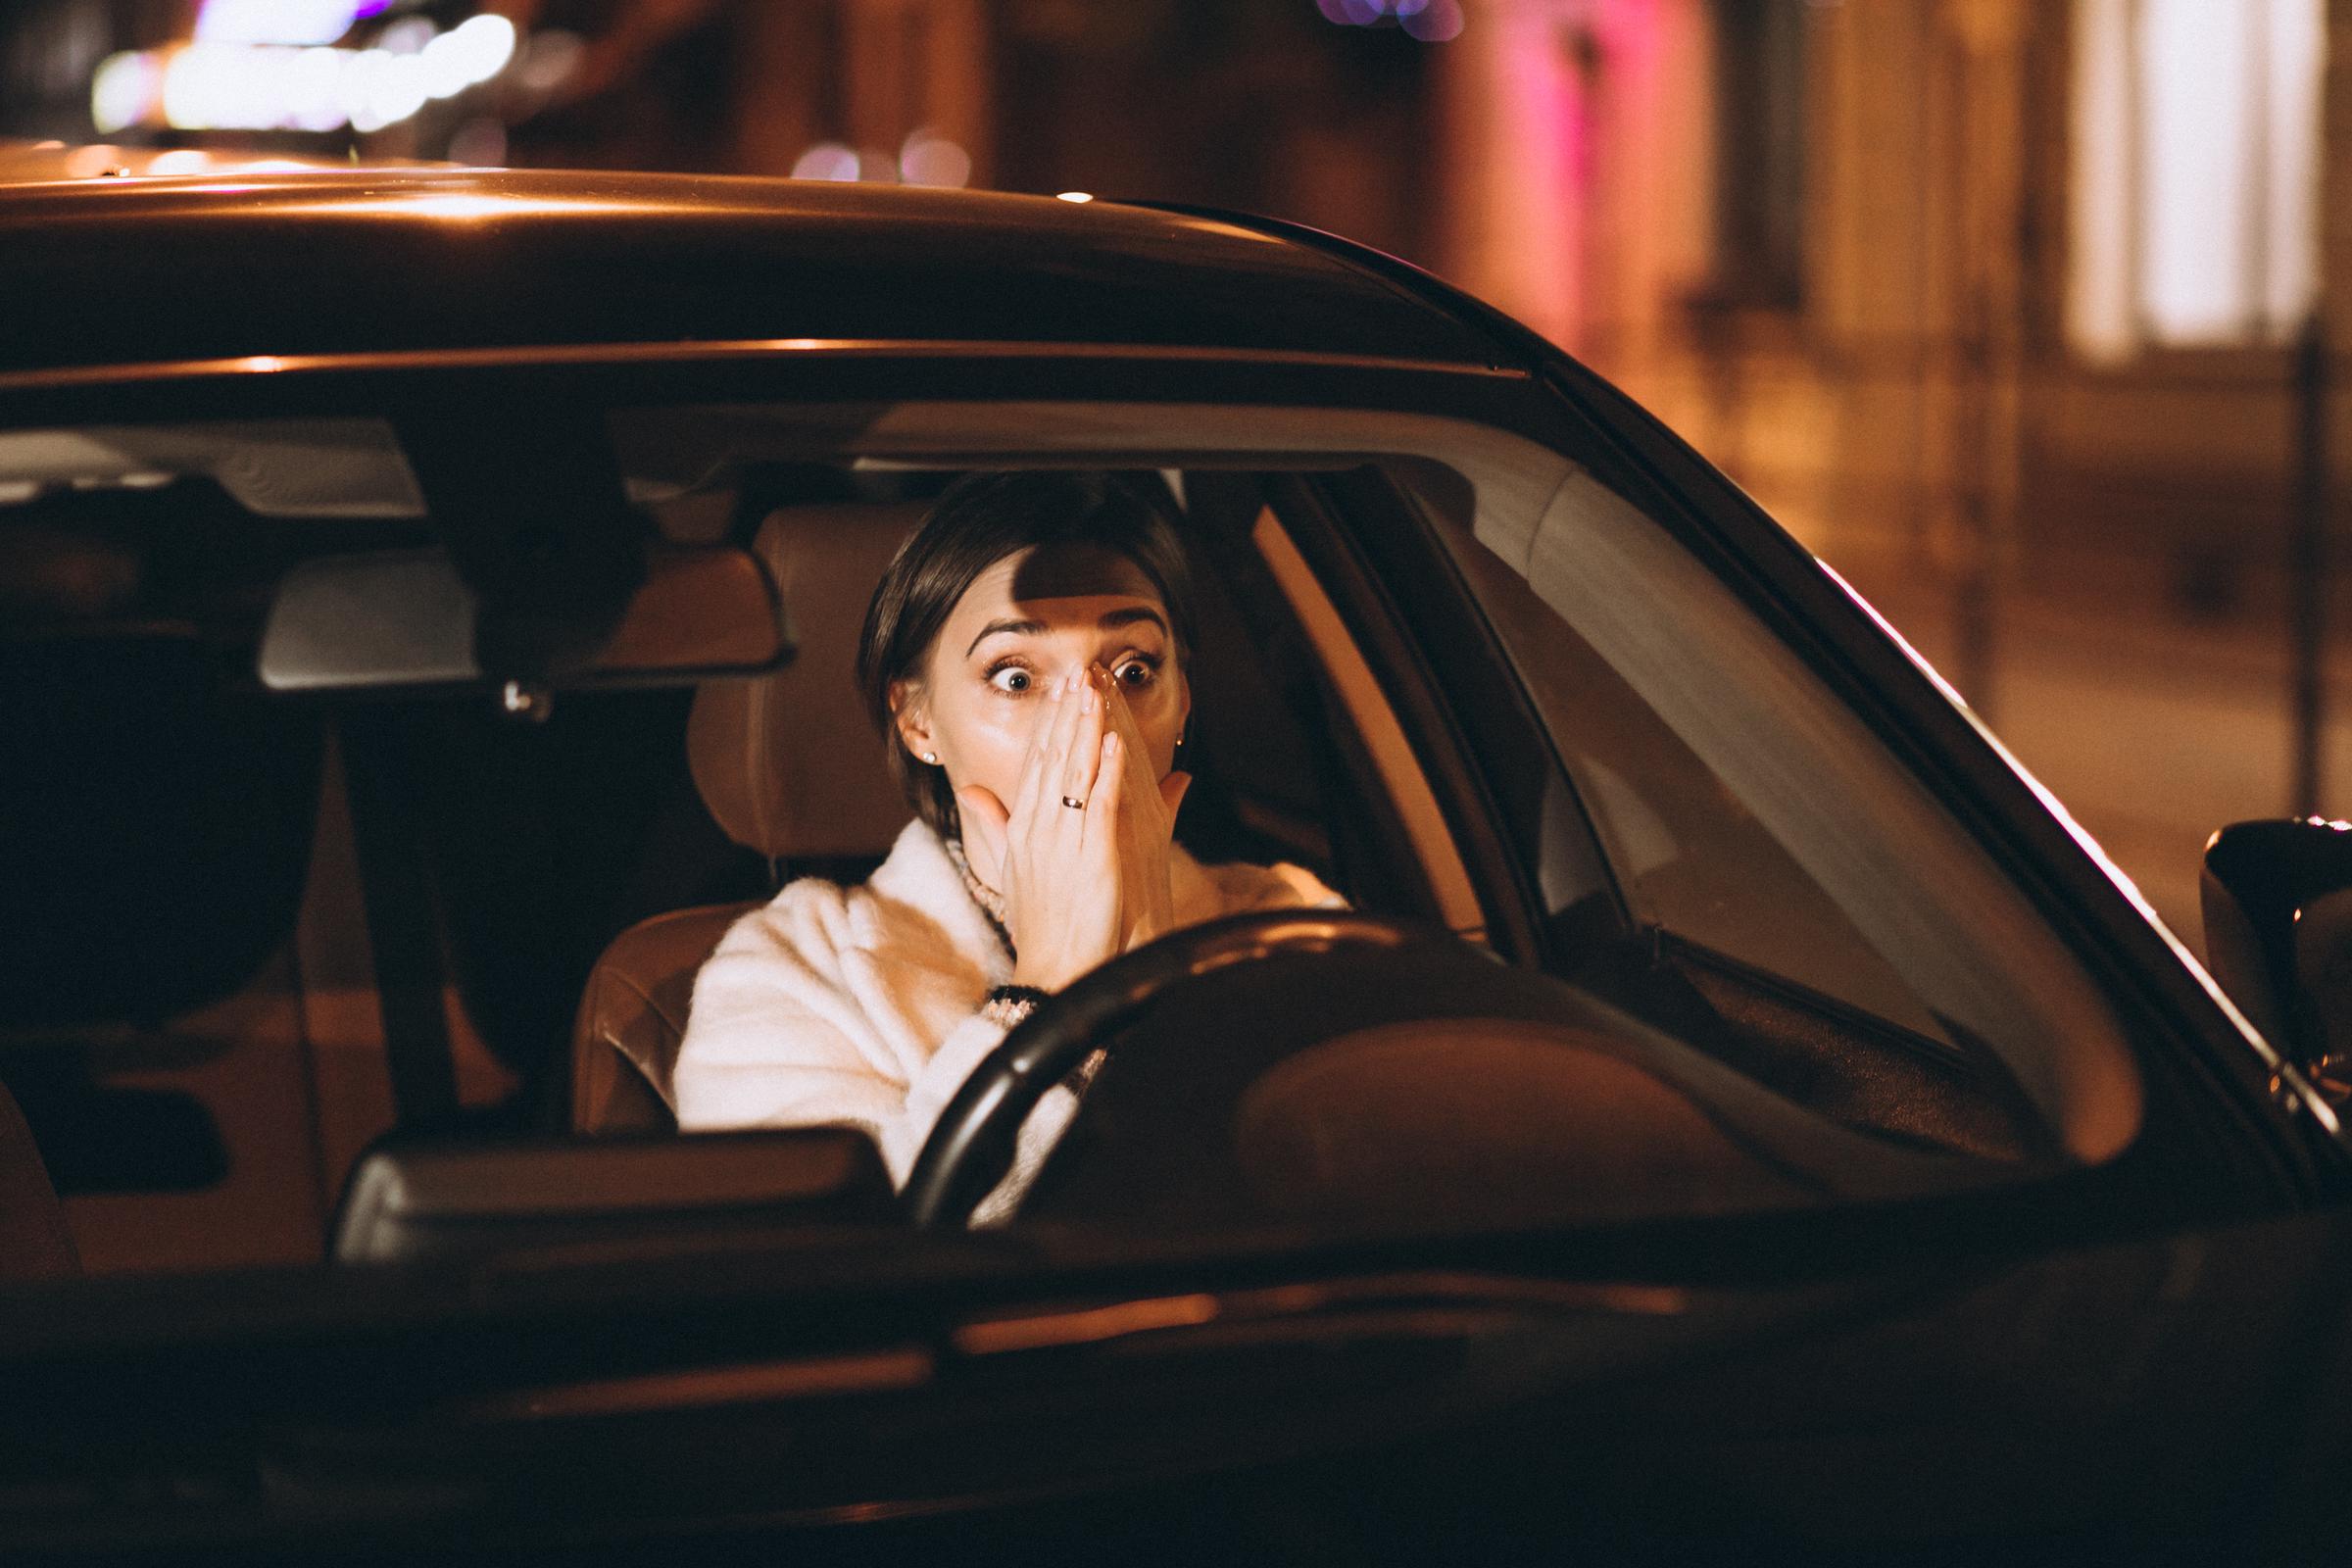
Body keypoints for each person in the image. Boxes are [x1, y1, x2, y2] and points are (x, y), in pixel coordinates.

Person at [670, 472, 1341, 1223]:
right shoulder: (791, 971)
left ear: (1182, 699)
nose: (1094, 721)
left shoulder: (1292, 924)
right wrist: (1052, 994)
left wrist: (1167, 988)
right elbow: (833, 1279)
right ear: (918, 719)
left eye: (1134, 670)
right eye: (1016, 677)